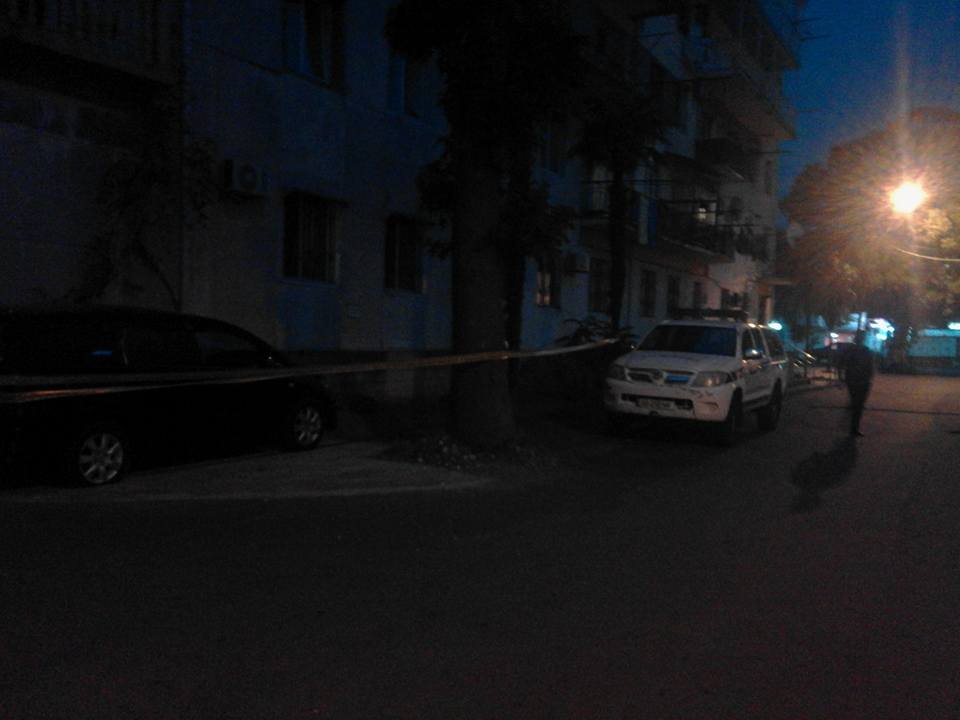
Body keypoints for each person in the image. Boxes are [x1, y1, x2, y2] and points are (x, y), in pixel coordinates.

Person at [840, 331, 874, 437]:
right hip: (861, 380)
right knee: (858, 405)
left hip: (853, 379)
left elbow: (841, 363)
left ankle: (853, 427)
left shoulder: (851, 350)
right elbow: (870, 366)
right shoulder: (865, 350)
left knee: (856, 403)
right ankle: (854, 428)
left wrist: (841, 377)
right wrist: (869, 378)